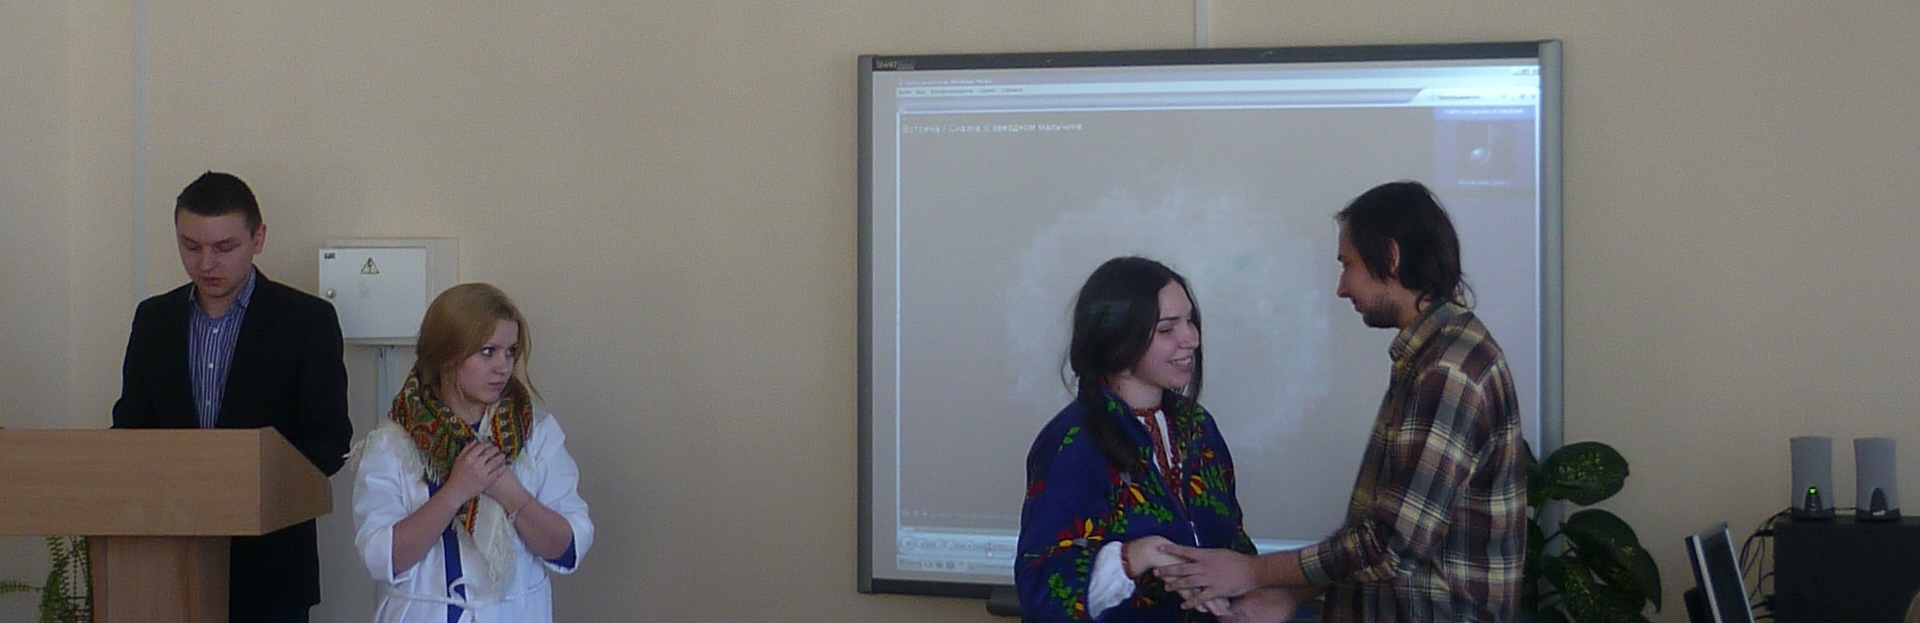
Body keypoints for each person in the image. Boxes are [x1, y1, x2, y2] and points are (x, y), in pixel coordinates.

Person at [1155, 181, 1526, 622]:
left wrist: (1253, 572)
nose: (1342, 288)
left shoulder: (1448, 371)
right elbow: (1381, 534)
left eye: (1347, 265)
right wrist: (1289, 595)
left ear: (1390, 257)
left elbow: (1390, 545)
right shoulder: (1437, 354)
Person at [111, 171, 353, 623]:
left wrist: (247, 486)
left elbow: (329, 438)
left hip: (271, 564)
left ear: (258, 239)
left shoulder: (307, 321)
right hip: (166, 558)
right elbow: (130, 429)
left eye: (224, 247)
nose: (206, 263)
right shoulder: (154, 319)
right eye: (190, 246)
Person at [1015, 256, 1289, 623]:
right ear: (1117, 340)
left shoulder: (1196, 427)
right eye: (1167, 329)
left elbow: (1235, 544)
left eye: (1190, 321)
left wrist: (1250, 600)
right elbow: (1042, 591)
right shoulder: (1073, 442)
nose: (1191, 339)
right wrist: (1136, 557)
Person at [351, 283, 593, 623]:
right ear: (447, 355)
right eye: (487, 351)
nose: (503, 366)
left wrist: (513, 498)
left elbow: (568, 548)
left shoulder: (537, 433)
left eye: (510, 351)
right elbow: (381, 559)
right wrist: (455, 492)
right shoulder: (392, 442)